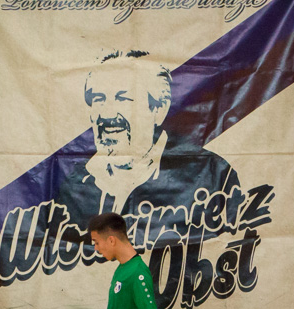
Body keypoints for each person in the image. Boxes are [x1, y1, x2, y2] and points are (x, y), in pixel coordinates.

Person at [57, 49, 241, 245]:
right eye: (99, 99)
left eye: (123, 99)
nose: (107, 114)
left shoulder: (212, 175)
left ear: (158, 109)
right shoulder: (74, 185)